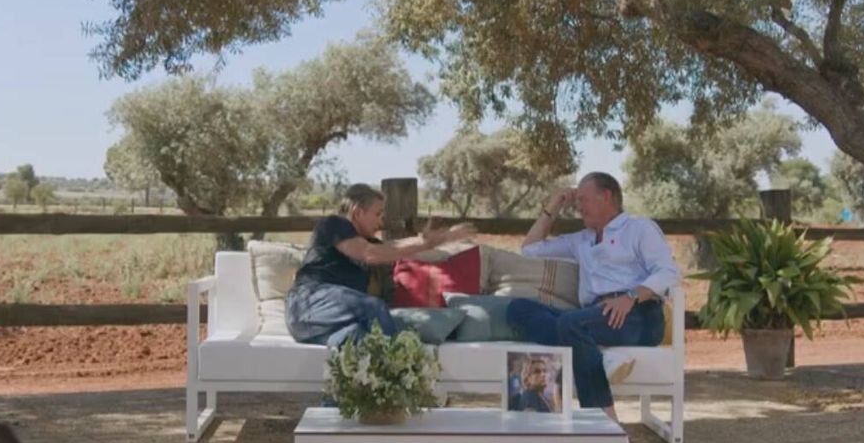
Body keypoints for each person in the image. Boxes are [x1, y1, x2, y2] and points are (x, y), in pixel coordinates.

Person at [506, 172, 678, 420]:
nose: (578, 208)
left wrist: (630, 296)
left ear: (606, 197)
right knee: (518, 309)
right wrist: (554, 205)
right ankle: (596, 354)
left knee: (570, 324)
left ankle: (602, 419)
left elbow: (668, 272)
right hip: (593, 317)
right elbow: (530, 250)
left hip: (638, 313)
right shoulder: (581, 240)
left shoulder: (639, 228)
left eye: (583, 200)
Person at [286, 183, 475, 348]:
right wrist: (425, 242)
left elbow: (394, 248)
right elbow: (371, 254)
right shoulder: (334, 224)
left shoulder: (371, 244)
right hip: (307, 306)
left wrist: (443, 239)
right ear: (357, 211)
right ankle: (403, 373)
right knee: (374, 307)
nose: (381, 221)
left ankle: (378, 387)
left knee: (358, 338)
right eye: (377, 214)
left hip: (324, 325)